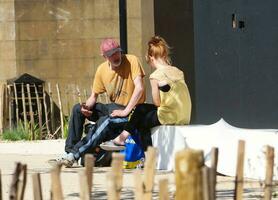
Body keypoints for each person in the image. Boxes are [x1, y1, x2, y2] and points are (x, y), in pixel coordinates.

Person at [50, 38, 145, 167]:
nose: (116, 56)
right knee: (78, 109)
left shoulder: (131, 60)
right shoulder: (102, 70)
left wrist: (126, 111)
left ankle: (74, 155)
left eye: (117, 52)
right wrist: (87, 107)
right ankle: (69, 153)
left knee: (105, 121)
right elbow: (93, 96)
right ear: (104, 56)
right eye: (111, 55)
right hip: (114, 108)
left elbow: (139, 88)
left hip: (132, 111)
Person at [100, 36, 192, 151]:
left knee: (141, 122)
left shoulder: (155, 76)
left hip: (170, 116)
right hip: (185, 115)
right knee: (141, 108)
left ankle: (148, 157)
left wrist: (158, 89)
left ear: (151, 57)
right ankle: (122, 138)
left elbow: (157, 103)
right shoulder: (179, 71)